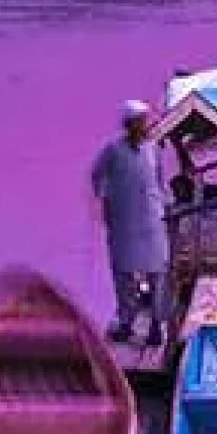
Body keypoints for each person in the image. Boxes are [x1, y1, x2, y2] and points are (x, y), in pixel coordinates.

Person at [90, 99, 170, 346]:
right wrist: (105, 202)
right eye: (141, 121)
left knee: (157, 272)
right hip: (123, 220)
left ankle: (156, 326)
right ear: (130, 124)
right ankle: (126, 323)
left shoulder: (153, 148)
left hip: (151, 220)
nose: (146, 125)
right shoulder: (112, 149)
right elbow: (97, 176)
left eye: (145, 120)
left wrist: (163, 205)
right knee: (123, 274)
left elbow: (159, 181)